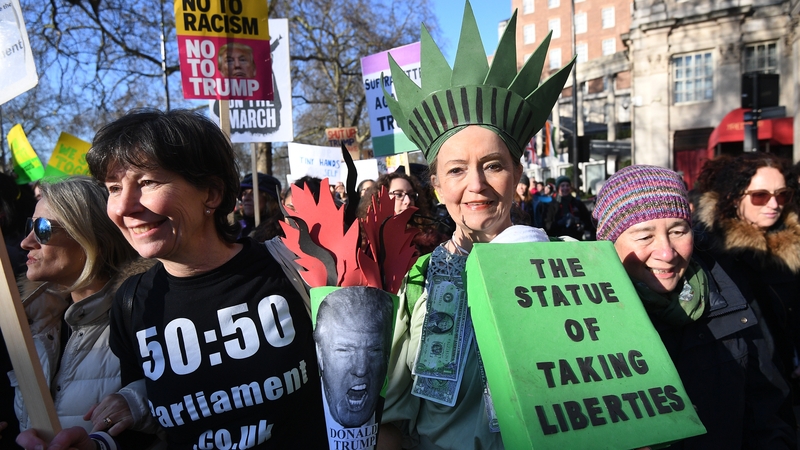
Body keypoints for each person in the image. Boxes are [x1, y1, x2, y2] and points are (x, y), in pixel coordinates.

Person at [19, 109, 328, 450]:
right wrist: (97, 445)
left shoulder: (293, 267)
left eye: (147, 182)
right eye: (114, 188)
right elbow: (150, 428)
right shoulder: (132, 303)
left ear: (210, 193)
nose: (123, 206)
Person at [378, 1, 573, 448]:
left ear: (517, 176)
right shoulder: (417, 281)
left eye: (492, 165)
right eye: (457, 170)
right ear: (437, 185)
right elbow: (389, 423)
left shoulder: (570, 263)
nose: (477, 185)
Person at [593, 165, 797, 448]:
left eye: (678, 231)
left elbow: (767, 412)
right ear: (608, 243)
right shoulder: (588, 321)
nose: (666, 253)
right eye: (644, 236)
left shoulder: (728, 297)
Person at [11, 177, 159, 448]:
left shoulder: (145, 318)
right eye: (28, 226)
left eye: (42, 229)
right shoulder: (27, 322)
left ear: (91, 239)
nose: (26, 241)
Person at [694, 153, 800, 394]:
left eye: (782, 194)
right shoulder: (708, 249)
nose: (774, 205)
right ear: (733, 197)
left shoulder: (791, 244)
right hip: (743, 387)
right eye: (760, 196)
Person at [314, 287, 393, 429]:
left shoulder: (392, 412)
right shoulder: (299, 411)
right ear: (320, 353)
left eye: (374, 350)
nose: (361, 369)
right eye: (344, 350)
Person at [357, 172, 447, 255]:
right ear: (379, 198)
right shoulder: (364, 242)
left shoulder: (432, 241)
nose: (407, 201)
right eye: (399, 195)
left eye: (411, 195)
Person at [543, 175, 595, 240]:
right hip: (557, 240)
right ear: (558, 188)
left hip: (575, 239)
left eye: (567, 185)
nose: (565, 188)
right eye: (562, 186)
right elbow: (546, 225)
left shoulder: (577, 203)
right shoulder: (551, 205)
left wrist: (581, 224)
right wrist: (560, 223)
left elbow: (588, 221)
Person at [237, 172, 282, 239]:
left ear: (269, 199)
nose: (246, 198)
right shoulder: (236, 229)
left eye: (253, 194)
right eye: (244, 193)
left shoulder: (279, 231)